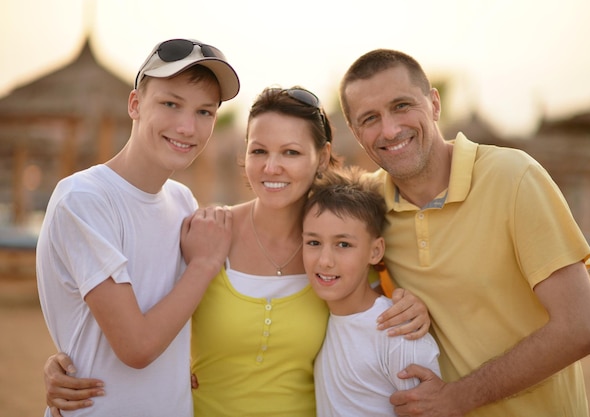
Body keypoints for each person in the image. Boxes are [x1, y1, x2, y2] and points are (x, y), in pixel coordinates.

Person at [43, 86, 431, 416]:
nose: (272, 167)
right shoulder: (203, 231)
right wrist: (63, 362)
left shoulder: (341, 248)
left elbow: (376, 304)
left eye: (291, 153)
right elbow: (135, 306)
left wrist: (407, 299)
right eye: (259, 151)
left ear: (323, 158)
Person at [338, 48, 590, 417]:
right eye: (370, 118)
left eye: (401, 106)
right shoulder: (366, 208)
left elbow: (582, 328)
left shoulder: (514, 177)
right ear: (355, 132)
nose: (389, 129)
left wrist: (460, 396)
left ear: (434, 103)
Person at [36, 38, 240, 417]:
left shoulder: (183, 202)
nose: (187, 126)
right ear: (135, 104)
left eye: (205, 112)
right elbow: (136, 347)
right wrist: (203, 265)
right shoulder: (84, 199)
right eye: (170, 104)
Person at [302, 166, 441, 417]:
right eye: (314, 243)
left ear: (375, 251)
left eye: (343, 244)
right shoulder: (316, 322)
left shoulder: (399, 333)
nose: (324, 261)